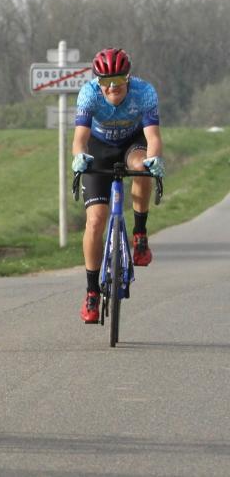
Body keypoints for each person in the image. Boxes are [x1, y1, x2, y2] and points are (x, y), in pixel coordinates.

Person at [72, 48, 164, 324]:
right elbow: (80, 139)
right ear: (97, 81)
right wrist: (79, 157)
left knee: (142, 167)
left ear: (128, 77)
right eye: (106, 81)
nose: (113, 87)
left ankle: (140, 234)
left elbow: (153, 137)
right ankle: (91, 292)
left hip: (132, 144)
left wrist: (155, 159)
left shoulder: (144, 92)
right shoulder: (88, 93)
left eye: (119, 80)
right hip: (99, 148)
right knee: (95, 221)